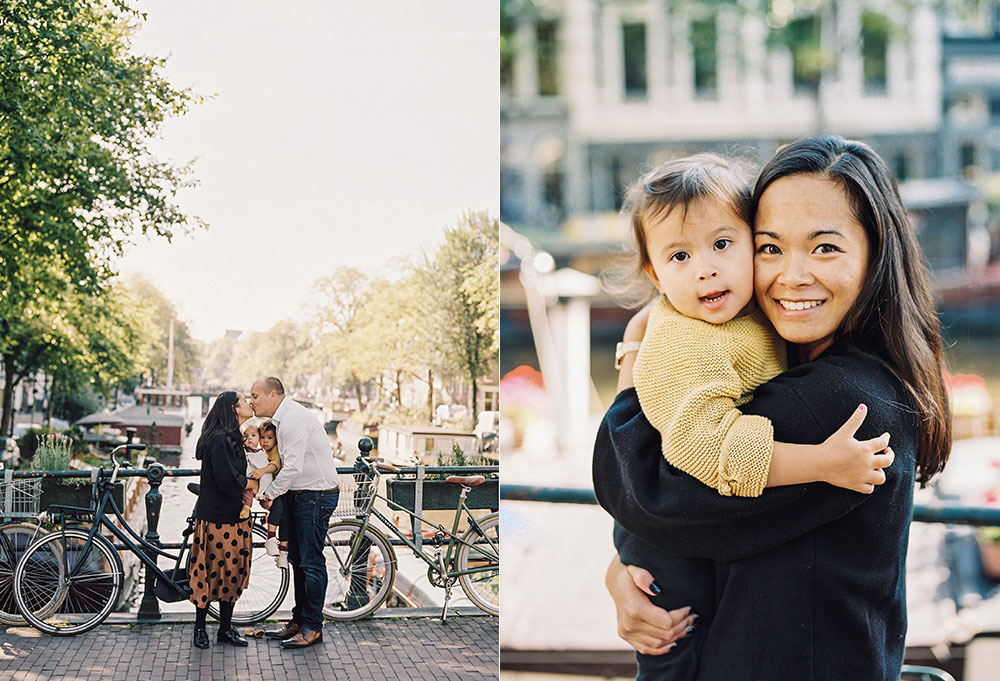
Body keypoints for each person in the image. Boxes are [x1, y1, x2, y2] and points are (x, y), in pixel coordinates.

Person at [593, 136, 952, 681]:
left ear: (877, 254)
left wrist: (634, 354)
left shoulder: (840, 403)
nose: (792, 275)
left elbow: (645, 491)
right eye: (769, 247)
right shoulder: (805, 366)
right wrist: (628, 566)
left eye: (825, 248)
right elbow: (692, 521)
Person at [250, 376, 340, 649]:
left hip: (315, 494)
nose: (251, 401)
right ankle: (299, 621)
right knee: (299, 559)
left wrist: (269, 494)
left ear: (273, 395)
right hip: (302, 493)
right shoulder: (281, 420)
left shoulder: (292, 420)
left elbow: (292, 468)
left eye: (255, 396)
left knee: (311, 561)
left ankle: (313, 626)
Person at [189, 391, 256, 650]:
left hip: (234, 518)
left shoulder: (233, 438)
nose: (249, 402)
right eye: (243, 400)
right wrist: (252, 483)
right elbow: (227, 480)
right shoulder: (219, 440)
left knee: (232, 573)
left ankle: (225, 628)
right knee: (208, 573)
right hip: (217, 518)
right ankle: (200, 628)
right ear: (233, 408)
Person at [256, 419, 289, 568]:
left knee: (280, 512)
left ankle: (271, 539)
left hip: (279, 489)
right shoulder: (262, 452)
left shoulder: (275, 451)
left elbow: (275, 466)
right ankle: (282, 551)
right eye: (262, 437)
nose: (265, 441)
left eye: (269, 438)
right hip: (274, 489)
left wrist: (262, 471)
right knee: (283, 517)